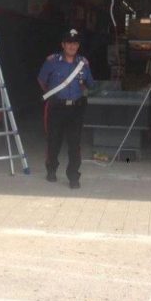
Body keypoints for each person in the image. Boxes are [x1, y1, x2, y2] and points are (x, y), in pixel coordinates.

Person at [37, 29, 95, 189]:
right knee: (54, 140)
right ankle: (51, 169)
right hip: (56, 107)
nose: (72, 46)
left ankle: (73, 176)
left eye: (75, 43)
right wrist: (52, 94)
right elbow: (41, 80)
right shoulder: (52, 61)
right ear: (63, 44)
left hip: (76, 108)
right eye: (69, 43)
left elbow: (90, 84)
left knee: (74, 144)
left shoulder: (83, 63)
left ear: (78, 45)